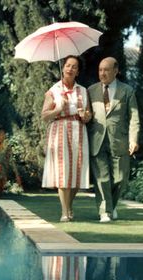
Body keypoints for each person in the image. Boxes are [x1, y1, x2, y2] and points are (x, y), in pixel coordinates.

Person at [88, 57, 140, 223]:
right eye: (100, 70)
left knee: (120, 178)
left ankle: (111, 205)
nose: (102, 73)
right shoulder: (91, 90)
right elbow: (86, 115)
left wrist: (133, 140)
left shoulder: (127, 91)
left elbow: (134, 118)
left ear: (116, 71)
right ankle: (105, 212)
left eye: (106, 69)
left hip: (120, 140)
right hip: (97, 139)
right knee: (102, 178)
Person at [41, 55, 92, 222]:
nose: (70, 69)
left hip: (78, 131)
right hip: (60, 130)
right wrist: (58, 108)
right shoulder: (53, 90)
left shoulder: (83, 91)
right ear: (63, 68)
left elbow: (88, 114)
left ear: (77, 72)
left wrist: (86, 116)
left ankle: (69, 206)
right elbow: (44, 116)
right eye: (68, 65)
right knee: (63, 172)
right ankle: (64, 212)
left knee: (77, 174)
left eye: (74, 67)